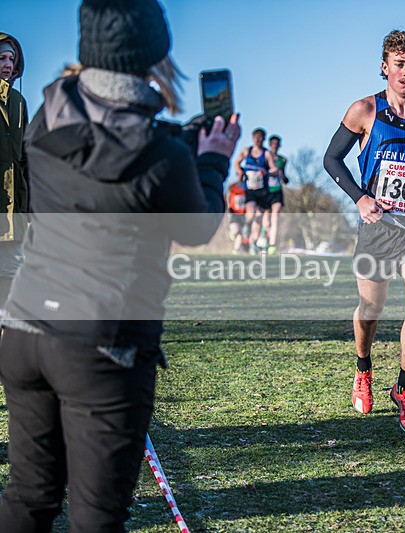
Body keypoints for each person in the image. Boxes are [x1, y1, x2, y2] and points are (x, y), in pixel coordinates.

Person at [0, 0, 240, 530]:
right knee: (97, 516)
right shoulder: (162, 155)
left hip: (23, 329)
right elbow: (197, 226)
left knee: (27, 499)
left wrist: (181, 145)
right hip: (101, 347)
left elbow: (103, 145)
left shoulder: (44, 115)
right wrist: (214, 161)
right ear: (155, 57)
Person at [324, 29, 405, 437]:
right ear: (385, 67)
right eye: (399, 64)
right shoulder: (364, 110)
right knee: (371, 310)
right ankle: (363, 368)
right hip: (378, 227)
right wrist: (360, 198)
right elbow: (332, 159)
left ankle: (404, 389)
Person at [0, 33, 28, 304]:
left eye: (12, 58)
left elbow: (25, 158)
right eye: (1, 58)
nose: (8, 64)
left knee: (10, 274)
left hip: (14, 211)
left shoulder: (19, 102)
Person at [234, 128, 278, 254]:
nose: (258, 140)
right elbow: (237, 163)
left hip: (262, 190)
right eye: (256, 137)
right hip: (250, 189)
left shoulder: (267, 154)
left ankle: (253, 241)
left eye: (260, 138)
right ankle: (245, 229)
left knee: (259, 216)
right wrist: (239, 171)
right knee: (251, 214)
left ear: (263, 139)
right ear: (253, 138)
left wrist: (267, 171)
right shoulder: (246, 151)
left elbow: (275, 170)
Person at [259, 133, 289, 254]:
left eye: (277, 144)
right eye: (273, 144)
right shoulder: (265, 157)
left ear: (279, 145)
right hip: (266, 191)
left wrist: (285, 178)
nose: (275, 146)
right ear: (270, 145)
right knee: (266, 218)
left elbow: (284, 176)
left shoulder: (283, 160)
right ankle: (264, 236)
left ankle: (272, 244)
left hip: (277, 191)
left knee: (275, 215)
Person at [226, 174, 248, 253]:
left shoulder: (247, 187)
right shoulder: (232, 186)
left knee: (240, 233)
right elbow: (228, 197)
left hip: (243, 214)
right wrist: (229, 207)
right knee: (235, 230)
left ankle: (235, 250)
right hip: (234, 212)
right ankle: (232, 233)